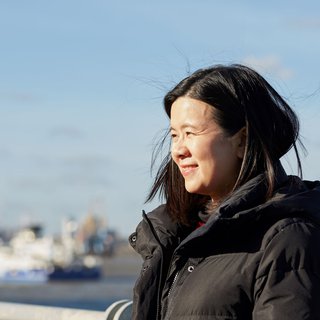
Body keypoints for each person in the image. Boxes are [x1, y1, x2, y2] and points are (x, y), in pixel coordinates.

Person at [129, 64, 320, 320]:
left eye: (190, 133)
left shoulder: (286, 239)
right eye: (174, 135)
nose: (178, 150)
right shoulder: (178, 236)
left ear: (242, 140)